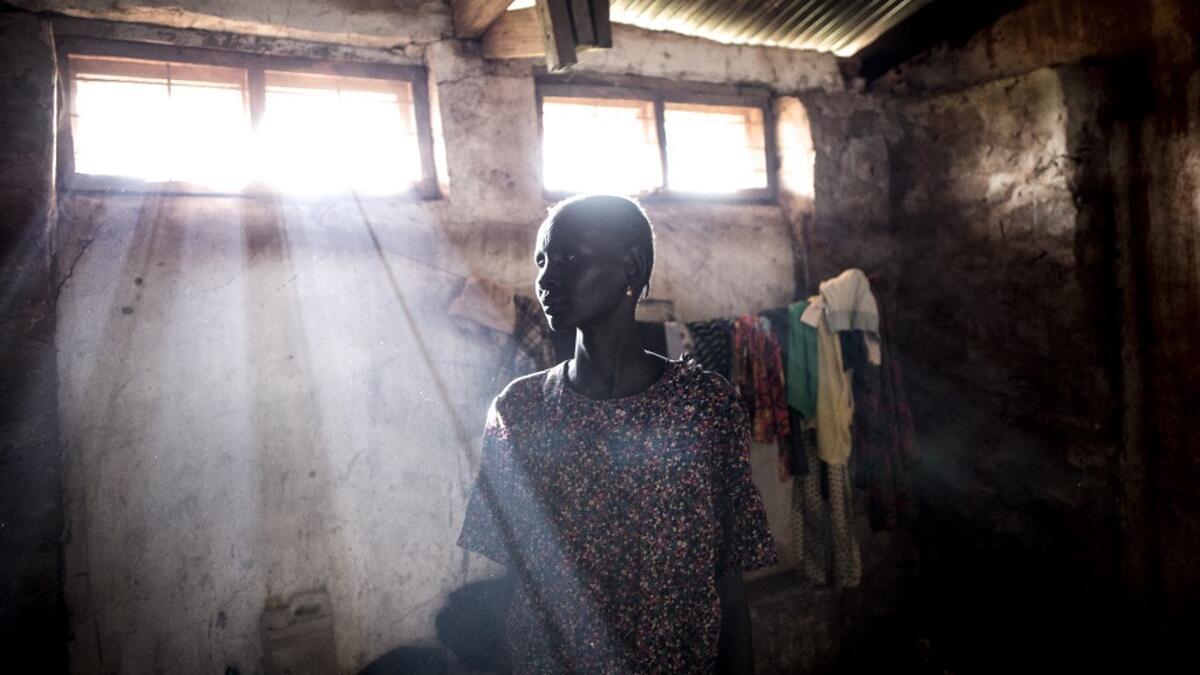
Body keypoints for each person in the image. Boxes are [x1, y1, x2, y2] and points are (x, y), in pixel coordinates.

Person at [458, 194, 777, 674]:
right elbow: (511, 579)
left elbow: (726, 579)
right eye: (541, 260)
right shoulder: (519, 410)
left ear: (631, 265)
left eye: (569, 257)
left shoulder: (703, 406)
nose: (546, 277)